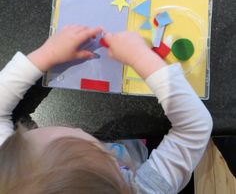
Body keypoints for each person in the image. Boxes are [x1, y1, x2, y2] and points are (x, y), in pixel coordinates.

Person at [0, 25, 213, 194]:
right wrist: (141, 58)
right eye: (79, 133)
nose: (76, 128)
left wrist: (46, 55)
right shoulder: (146, 189)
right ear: (115, 164)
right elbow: (195, 128)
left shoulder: (10, 173)